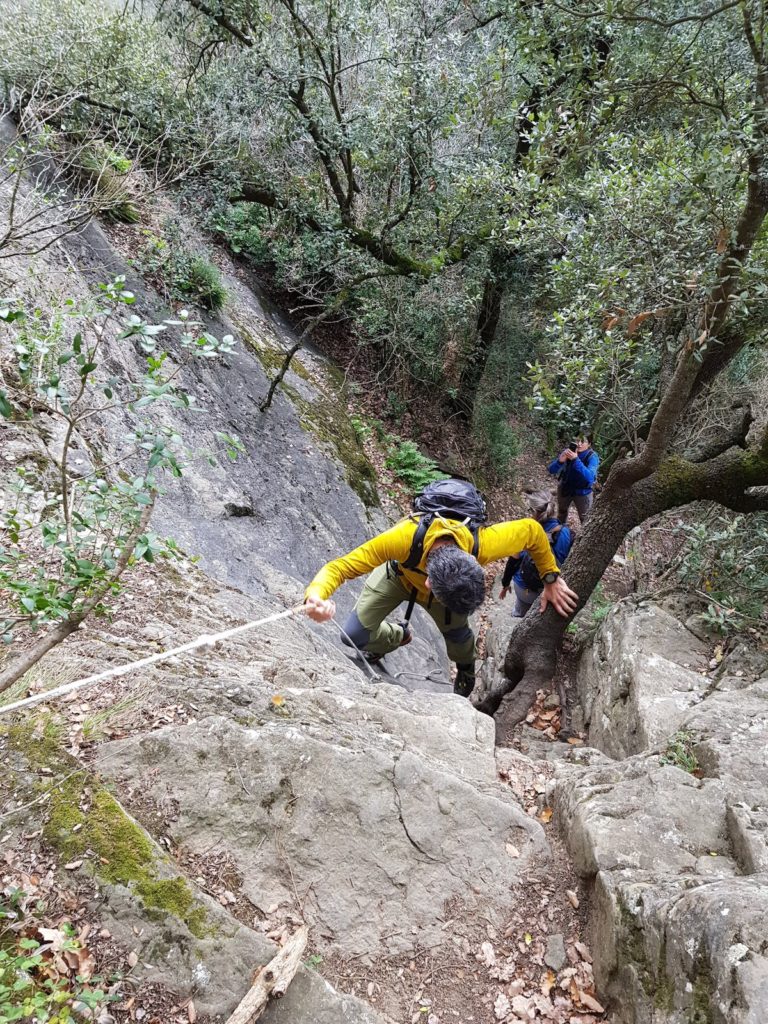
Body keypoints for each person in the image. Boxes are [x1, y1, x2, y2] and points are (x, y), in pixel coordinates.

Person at [303, 505, 578, 699]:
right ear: (429, 584)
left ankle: (466, 669)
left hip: (443, 588)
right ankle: (397, 636)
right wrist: (316, 596)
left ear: (473, 562)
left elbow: (532, 531)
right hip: (397, 576)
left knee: (458, 638)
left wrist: (551, 578)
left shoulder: (484, 543)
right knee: (352, 635)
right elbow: (339, 568)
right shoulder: (402, 539)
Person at [499, 490, 573, 617]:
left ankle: (517, 615)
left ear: (532, 511)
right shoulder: (567, 533)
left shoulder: (525, 532)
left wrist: (505, 585)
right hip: (551, 588)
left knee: (520, 610)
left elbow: (512, 562)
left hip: (524, 589)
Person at [548, 434, 599, 524]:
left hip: (583, 492)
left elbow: (590, 478)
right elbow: (551, 470)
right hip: (565, 487)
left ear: (589, 444)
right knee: (562, 512)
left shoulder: (592, 457)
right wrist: (559, 462)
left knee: (585, 519)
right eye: (577, 440)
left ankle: (584, 537)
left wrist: (576, 460)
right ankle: (560, 533)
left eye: (583, 442)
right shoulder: (569, 452)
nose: (579, 444)